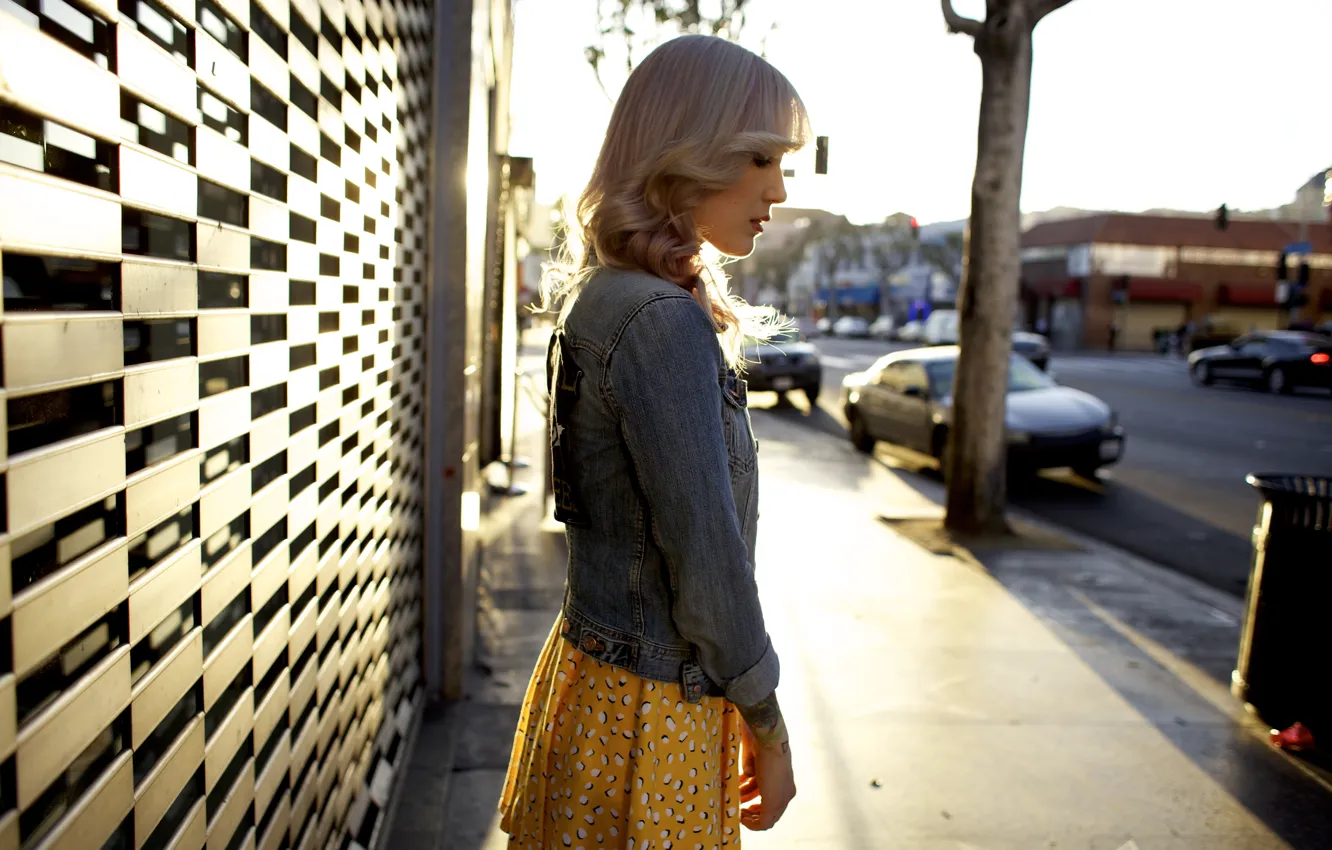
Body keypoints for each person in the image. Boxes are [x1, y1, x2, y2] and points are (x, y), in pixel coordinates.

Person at [498, 35, 808, 847]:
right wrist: (767, 729)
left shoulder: (606, 297)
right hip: (654, 711)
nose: (777, 186)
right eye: (759, 157)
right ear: (686, 152)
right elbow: (706, 560)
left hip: (597, 684)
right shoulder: (661, 321)